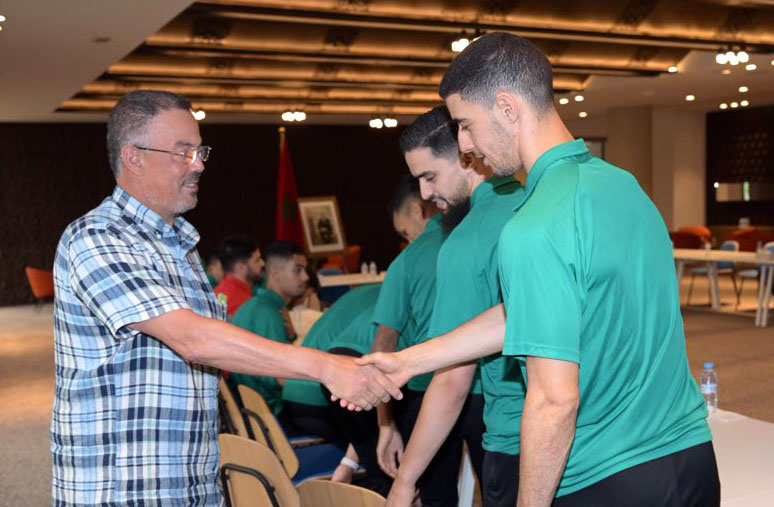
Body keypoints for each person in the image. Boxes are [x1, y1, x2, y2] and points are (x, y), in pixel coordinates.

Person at [360, 32, 719, 507]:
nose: (465, 146)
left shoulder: (534, 225)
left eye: (465, 125)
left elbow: (554, 401)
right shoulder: (624, 186)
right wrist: (410, 361)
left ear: (508, 108)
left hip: (605, 477)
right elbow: (533, 312)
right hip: (690, 461)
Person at [51, 90, 401, 506]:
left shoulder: (179, 246)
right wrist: (327, 367)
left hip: (191, 481)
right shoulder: (97, 238)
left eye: (200, 151)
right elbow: (194, 339)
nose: (198, 164)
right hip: (125, 488)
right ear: (134, 157)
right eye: (183, 152)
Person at [384, 105, 526, 507]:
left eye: (430, 176)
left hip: (513, 438)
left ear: (467, 156)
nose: (426, 195)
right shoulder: (535, 201)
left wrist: (404, 481)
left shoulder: (465, 242)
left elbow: (451, 380)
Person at [229, 241, 309, 415]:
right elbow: (279, 377)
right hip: (271, 416)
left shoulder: (259, 304)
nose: (305, 277)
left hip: (255, 413)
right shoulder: (267, 312)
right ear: (275, 273)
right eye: (297, 270)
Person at [213, 235, 264, 317]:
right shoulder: (241, 302)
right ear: (241, 268)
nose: (262, 263)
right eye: (257, 260)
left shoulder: (218, 293)